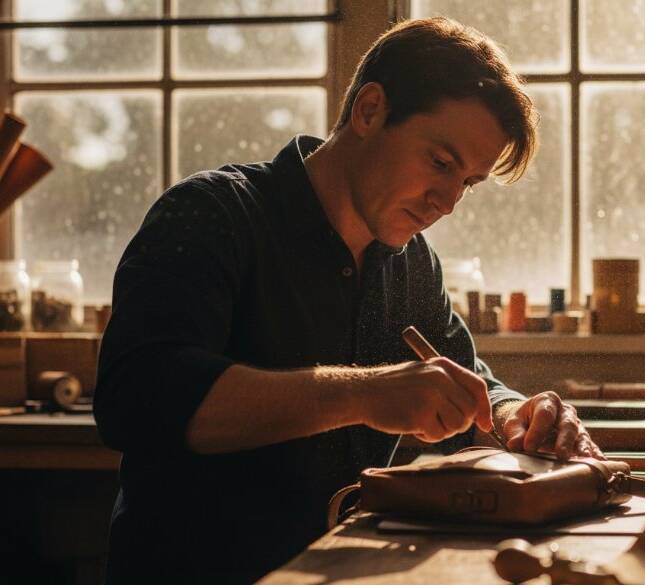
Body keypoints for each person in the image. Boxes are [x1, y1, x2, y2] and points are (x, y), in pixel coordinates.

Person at [94, 16, 603, 584]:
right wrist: (366, 394)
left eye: (468, 183)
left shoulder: (410, 261)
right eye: (440, 162)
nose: (448, 202)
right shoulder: (212, 215)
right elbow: (137, 400)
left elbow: (464, 375)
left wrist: (517, 413)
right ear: (369, 110)